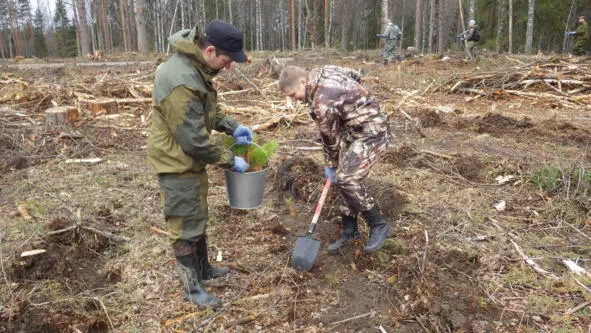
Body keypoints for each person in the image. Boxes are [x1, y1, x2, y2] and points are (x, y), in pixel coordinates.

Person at [147, 20, 253, 309]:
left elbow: (208, 110)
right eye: (227, 60)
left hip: (188, 160)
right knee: (184, 224)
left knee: (197, 216)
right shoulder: (181, 80)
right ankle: (192, 289)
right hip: (176, 162)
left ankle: (204, 269)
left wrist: (232, 126)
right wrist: (230, 160)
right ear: (209, 50)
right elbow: (193, 139)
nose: (229, 67)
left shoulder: (196, 68)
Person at [278, 65, 392, 254]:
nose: (294, 100)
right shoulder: (323, 70)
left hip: (373, 132)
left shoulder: (321, 103)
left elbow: (330, 139)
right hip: (355, 130)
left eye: (293, 94)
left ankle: (378, 224)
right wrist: (353, 102)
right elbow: (354, 74)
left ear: (303, 82)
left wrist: (331, 165)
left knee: (346, 179)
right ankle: (350, 231)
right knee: (343, 179)